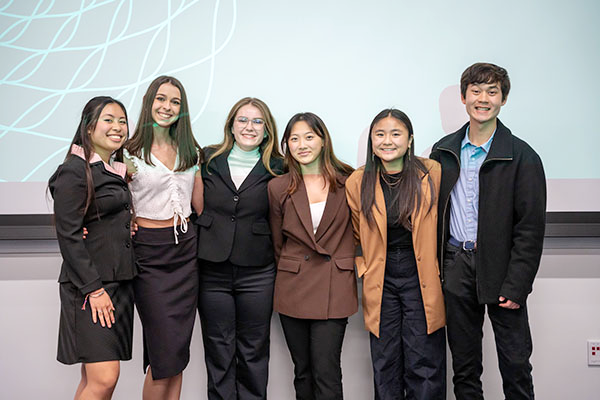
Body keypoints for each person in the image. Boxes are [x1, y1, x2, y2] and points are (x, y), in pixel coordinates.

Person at [430, 62, 546, 400]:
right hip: (455, 266)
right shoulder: (443, 151)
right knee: (465, 368)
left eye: (492, 92)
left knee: (515, 365)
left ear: (503, 99)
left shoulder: (523, 157)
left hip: (502, 269)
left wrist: (518, 284)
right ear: (463, 98)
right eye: (476, 91)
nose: (484, 98)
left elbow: (530, 228)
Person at [346, 109, 446, 400]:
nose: (387, 141)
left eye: (395, 133)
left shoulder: (432, 173)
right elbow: (353, 234)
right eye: (380, 134)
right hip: (381, 275)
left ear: (410, 139)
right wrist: (362, 267)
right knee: (385, 360)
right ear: (371, 141)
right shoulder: (357, 182)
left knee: (424, 359)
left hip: (421, 273)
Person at [49, 96, 136, 399]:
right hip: (91, 287)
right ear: (88, 128)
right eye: (109, 119)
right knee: (105, 377)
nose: (118, 126)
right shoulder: (74, 170)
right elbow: (69, 236)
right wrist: (94, 290)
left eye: (122, 120)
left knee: (94, 379)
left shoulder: (110, 168)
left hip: (118, 283)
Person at [196, 97, 283, 399]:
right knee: (218, 350)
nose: (250, 126)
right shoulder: (206, 159)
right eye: (243, 120)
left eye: (257, 121)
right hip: (212, 269)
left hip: (257, 271)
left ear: (267, 130)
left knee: (253, 351)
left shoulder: (279, 167)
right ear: (231, 126)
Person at [268, 112, 358, 399]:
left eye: (309, 137)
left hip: (335, 285)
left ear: (323, 141)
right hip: (293, 285)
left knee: (327, 373)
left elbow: (360, 233)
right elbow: (277, 242)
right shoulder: (278, 187)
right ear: (286, 145)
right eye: (294, 138)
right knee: (303, 371)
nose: (301, 144)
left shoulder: (349, 182)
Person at [124, 75, 203, 400]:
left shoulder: (191, 151)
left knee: (177, 352)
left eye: (174, 102)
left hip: (185, 254)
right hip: (149, 256)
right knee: (163, 351)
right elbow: (108, 199)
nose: (166, 106)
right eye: (161, 99)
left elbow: (200, 204)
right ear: (149, 102)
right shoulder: (127, 151)